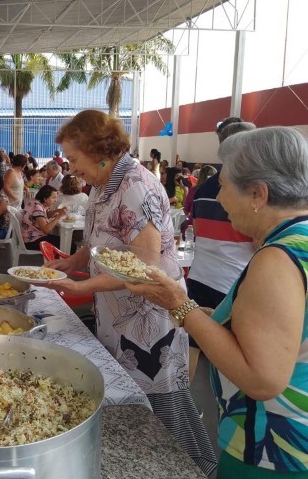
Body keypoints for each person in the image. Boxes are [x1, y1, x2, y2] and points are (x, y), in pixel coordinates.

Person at [126, 126, 308, 478]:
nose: (219, 198)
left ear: (258, 193)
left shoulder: (277, 259)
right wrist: (211, 317)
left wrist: (180, 304)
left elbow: (262, 379)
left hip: (271, 449)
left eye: (224, 186)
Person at [43, 110, 216, 474]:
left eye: (74, 159)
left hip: (148, 318)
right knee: (129, 397)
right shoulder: (103, 184)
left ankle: (185, 468)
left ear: (98, 149)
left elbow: (143, 267)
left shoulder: (135, 185)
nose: (71, 168)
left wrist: (80, 286)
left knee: (158, 404)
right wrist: (72, 263)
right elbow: (99, 243)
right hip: (116, 313)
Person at [185, 121, 256, 383]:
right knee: (232, 359)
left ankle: (186, 409)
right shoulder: (248, 191)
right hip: (233, 283)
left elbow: (196, 231)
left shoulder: (204, 188)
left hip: (200, 275)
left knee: (192, 344)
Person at [21, 185, 71, 252]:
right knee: (69, 245)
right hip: (33, 241)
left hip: (31, 238)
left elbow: (44, 215)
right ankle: (60, 261)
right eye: (53, 198)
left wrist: (58, 211)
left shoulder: (35, 202)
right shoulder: (37, 208)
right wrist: (59, 216)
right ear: (45, 199)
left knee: (66, 241)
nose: (55, 200)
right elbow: (46, 229)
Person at [180, 164, 217, 235]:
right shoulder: (218, 193)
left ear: (200, 176)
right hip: (212, 227)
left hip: (194, 226)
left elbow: (186, 209)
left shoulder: (194, 190)